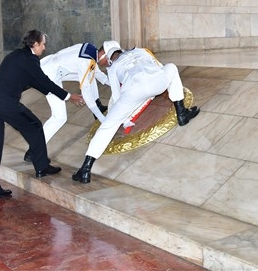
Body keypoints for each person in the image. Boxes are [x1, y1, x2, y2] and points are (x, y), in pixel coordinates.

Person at [72, 41, 200, 183]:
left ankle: (85, 169)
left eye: (102, 60)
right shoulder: (140, 51)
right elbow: (159, 67)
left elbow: (116, 95)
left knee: (107, 127)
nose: (102, 63)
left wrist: (123, 116)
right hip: (157, 82)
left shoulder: (113, 68)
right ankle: (181, 114)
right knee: (171, 68)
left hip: (133, 92)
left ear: (108, 57)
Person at [0, 30, 84, 201]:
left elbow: (34, 81)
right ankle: (42, 166)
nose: (44, 47)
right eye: (43, 44)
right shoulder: (30, 60)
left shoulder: (16, 55)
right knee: (34, 126)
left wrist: (53, 91)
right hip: (6, 104)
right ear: (34, 44)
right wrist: (69, 96)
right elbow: (44, 82)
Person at [22, 42, 110, 162]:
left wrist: (121, 85)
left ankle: (98, 107)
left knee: (91, 75)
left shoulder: (90, 50)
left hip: (55, 68)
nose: (109, 64)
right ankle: (34, 151)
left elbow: (98, 74)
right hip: (49, 74)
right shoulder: (85, 62)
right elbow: (86, 91)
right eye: (109, 60)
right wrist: (102, 119)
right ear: (103, 54)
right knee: (59, 117)